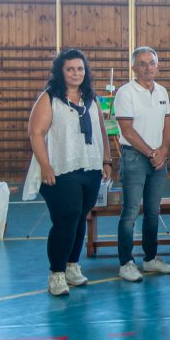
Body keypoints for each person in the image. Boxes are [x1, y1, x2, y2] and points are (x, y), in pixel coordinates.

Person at [26, 48, 111, 296]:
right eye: (70, 69)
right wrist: (45, 166)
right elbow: (36, 134)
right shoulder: (49, 98)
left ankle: (72, 266)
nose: (76, 73)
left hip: (90, 167)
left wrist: (107, 160)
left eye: (80, 68)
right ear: (60, 72)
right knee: (66, 219)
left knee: (81, 216)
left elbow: (102, 131)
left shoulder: (91, 99)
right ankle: (56, 273)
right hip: (61, 169)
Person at [114, 46, 170, 282]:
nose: (147, 67)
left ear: (157, 66)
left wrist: (163, 150)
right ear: (133, 68)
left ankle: (150, 259)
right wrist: (152, 152)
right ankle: (126, 262)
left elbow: (168, 123)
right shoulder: (125, 93)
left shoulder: (162, 91)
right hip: (134, 157)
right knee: (130, 211)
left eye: (151, 63)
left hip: (158, 158)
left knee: (153, 212)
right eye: (142, 63)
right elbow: (127, 130)